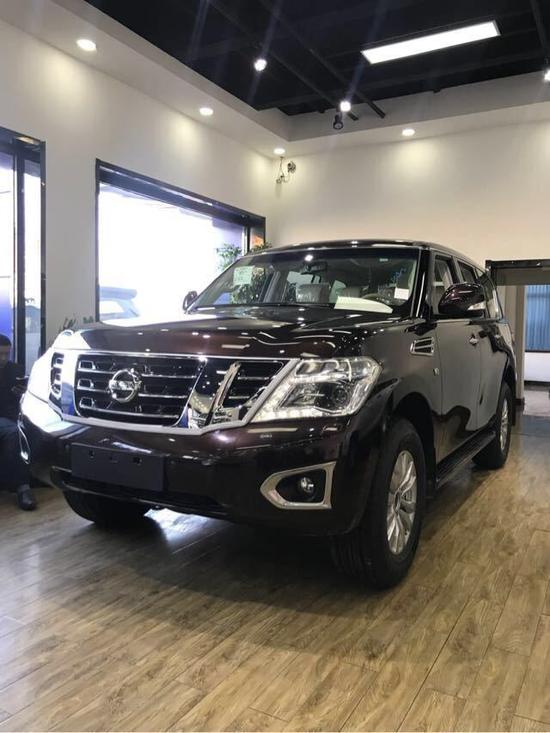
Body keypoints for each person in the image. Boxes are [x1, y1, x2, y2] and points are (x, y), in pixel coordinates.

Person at [0, 334, 36, 510]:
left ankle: (23, 486)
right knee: (14, 432)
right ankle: (23, 487)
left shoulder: (16, 370)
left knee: (20, 432)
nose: (4, 358)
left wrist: (21, 393)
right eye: (0, 354)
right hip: (5, 418)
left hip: (11, 416)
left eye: (7, 354)